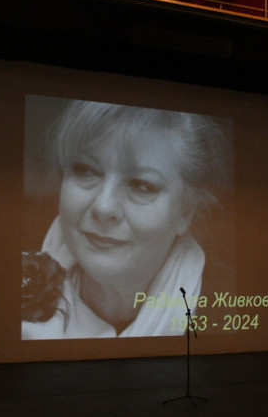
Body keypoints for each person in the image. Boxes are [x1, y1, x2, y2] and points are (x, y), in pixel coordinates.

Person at [21, 99, 232, 339]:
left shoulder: (230, 308)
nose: (103, 207)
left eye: (141, 186)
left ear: (187, 212)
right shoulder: (4, 275)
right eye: (86, 171)